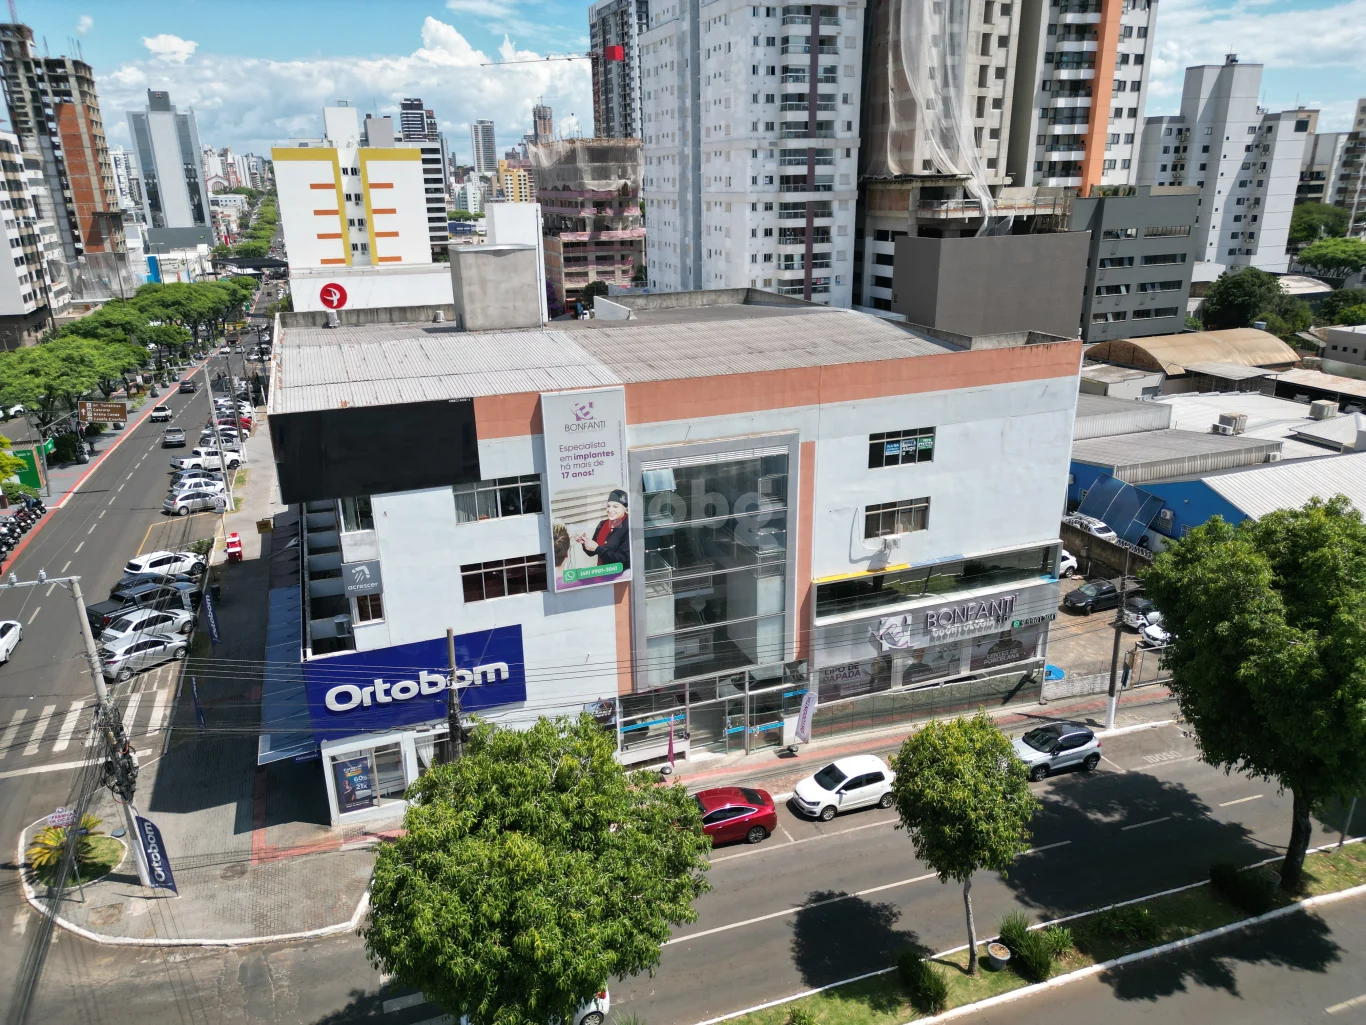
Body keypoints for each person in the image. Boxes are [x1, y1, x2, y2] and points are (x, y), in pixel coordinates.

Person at [575, 490, 630, 569]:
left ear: (625, 508)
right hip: (602, 572)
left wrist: (598, 549)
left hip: (620, 575)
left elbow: (623, 558)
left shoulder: (629, 526)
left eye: (615, 506)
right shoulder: (603, 524)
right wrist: (585, 542)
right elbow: (592, 552)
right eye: (608, 506)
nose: (610, 510)